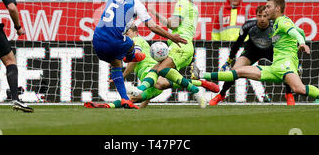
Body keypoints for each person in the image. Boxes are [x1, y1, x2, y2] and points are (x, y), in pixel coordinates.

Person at [193, 0, 319, 108]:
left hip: (284, 66)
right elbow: (299, 31)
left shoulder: (282, 21)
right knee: (239, 71)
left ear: (277, 8)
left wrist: (302, 44)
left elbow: (295, 33)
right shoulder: (273, 23)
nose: (265, 9)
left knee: (299, 89)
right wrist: (298, 43)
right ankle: (203, 76)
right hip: (274, 66)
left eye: (268, 7)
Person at [92, 0, 188, 109]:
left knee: (116, 64)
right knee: (132, 41)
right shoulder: (137, 4)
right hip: (114, 41)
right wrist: (171, 36)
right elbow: (151, 26)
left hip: (96, 40)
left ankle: (125, 99)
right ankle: (132, 56)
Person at [85, 25, 219, 109]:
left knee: (159, 82)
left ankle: (199, 86)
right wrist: (142, 107)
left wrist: (122, 75)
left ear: (134, 32)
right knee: (132, 100)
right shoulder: (133, 42)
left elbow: (134, 60)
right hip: (150, 81)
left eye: (127, 33)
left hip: (150, 71)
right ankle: (107, 106)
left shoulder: (136, 40)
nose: (125, 36)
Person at [127, 0, 207, 108]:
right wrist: (155, 13)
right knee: (161, 78)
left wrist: (154, 14)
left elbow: (173, 25)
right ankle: (196, 89)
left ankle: (140, 89)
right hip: (186, 46)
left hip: (179, 45)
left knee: (157, 70)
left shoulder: (182, 4)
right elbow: (172, 24)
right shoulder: (193, 7)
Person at [204, 5, 297, 106]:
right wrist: (230, 59)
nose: (262, 19)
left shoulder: (276, 26)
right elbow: (238, 43)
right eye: (259, 16)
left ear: (268, 16)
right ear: (256, 16)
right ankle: (221, 95)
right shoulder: (248, 26)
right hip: (252, 51)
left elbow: (287, 42)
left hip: (271, 51)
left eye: (265, 16)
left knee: (285, 68)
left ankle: (288, 94)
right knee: (235, 69)